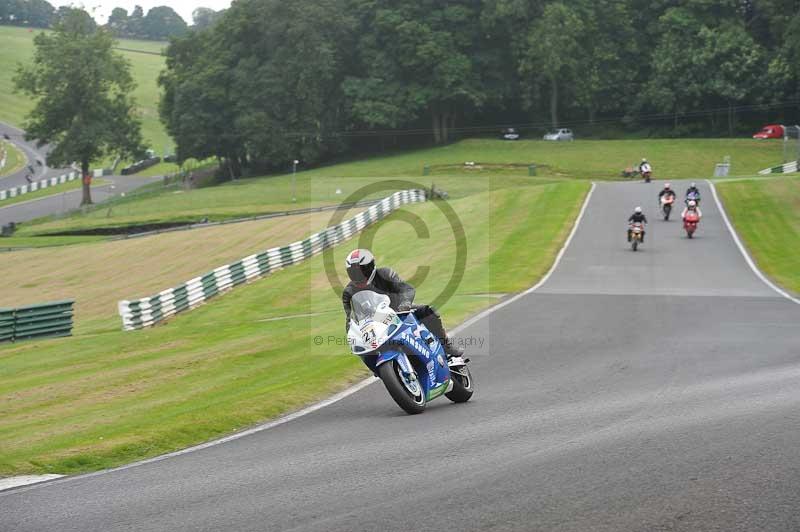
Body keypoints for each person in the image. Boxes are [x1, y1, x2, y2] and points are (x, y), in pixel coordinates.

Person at [342, 248, 464, 358]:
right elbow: (350, 318)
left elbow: (407, 289)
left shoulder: (385, 274)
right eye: (354, 272)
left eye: (362, 271)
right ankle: (379, 367)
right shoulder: (349, 292)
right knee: (361, 347)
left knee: (428, 311)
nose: (359, 276)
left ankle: (445, 345)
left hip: (399, 311)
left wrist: (404, 304)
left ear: (370, 267)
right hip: (376, 322)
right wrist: (352, 335)